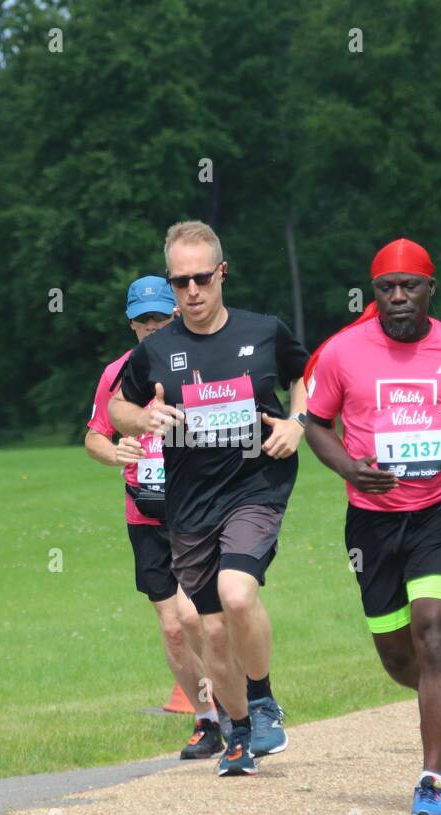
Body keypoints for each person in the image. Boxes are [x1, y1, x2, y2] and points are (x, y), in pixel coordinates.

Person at [303, 238, 441, 815]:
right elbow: (316, 425)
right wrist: (349, 467)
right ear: (374, 294)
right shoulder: (344, 353)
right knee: (402, 657)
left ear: (430, 289)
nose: (398, 297)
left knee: (436, 633)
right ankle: (434, 691)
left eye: (409, 286)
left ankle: (432, 780)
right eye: (386, 288)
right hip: (371, 524)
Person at [110, 220, 310, 777]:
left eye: (201, 278)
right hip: (190, 505)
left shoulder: (263, 331)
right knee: (213, 630)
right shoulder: (158, 350)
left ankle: (265, 699)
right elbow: (117, 409)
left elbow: (308, 375)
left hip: (255, 486)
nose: (192, 292)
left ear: (221, 273)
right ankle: (241, 731)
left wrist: (298, 421)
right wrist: (144, 417)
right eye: (180, 282)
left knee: (237, 595)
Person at [85, 276, 220, 758]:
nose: (152, 328)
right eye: (143, 321)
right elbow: (94, 437)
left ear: (177, 315)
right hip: (144, 513)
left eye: (160, 318)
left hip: (197, 510)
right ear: (132, 325)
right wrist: (113, 451)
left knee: (193, 614)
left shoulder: (202, 362)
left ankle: (239, 702)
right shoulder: (117, 374)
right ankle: (208, 718)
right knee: (171, 627)